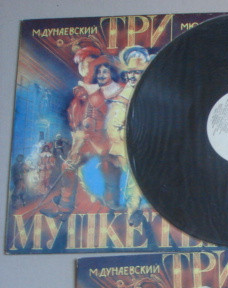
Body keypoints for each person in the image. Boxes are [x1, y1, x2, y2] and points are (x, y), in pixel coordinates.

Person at [41, 57, 123, 218]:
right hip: (90, 139)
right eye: (99, 72)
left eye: (105, 72)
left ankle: (112, 201)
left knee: (110, 166)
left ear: (111, 74)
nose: (101, 75)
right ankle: (65, 207)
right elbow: (85, 121)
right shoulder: (91, 94)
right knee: (68, 166)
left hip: (110, 140)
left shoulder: (120, 92)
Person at [105, 45, 151, 226]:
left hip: (153, 142)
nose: (132, 76)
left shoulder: (151, 90)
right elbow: (116, 121)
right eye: (129, 72)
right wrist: (122, 135)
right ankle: (133, 210)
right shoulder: (125, 94)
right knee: (134, 176)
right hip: (131, 143)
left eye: (137, 72)